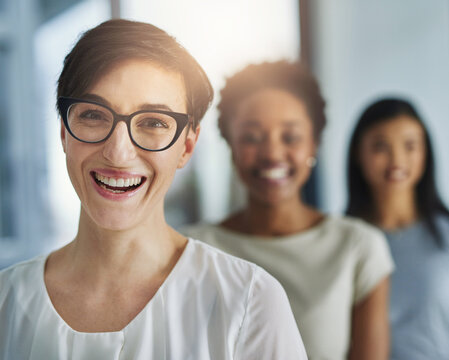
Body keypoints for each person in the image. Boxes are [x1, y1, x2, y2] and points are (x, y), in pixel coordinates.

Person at [0, 19, 307, 360]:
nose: (118, 153)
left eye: (153, 123)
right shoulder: (6, 302)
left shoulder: (248, 301)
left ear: (187, 147)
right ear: (64, 133)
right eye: (93, 115)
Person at [182, 61, 394, 360]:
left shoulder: (358, 248)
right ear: (231, 146)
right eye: (252, 137)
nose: (272, 153)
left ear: (314, 144)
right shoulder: (191, 250)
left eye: (290, 137)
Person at [346, 97, 449, 359]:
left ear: (425, 152)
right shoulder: (342, 241)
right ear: (357, 154)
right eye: (380, 146)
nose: (396, 159)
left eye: (410, 145)